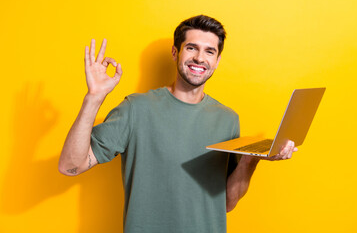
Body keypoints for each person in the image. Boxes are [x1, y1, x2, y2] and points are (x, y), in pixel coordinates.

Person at [59, 15, 297, 233]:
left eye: (209, 52)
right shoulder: (136, 108)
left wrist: (250, 160)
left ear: (217, 60)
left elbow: (226, 203)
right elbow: (71, 165)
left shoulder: (227, 118)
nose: (199, 58)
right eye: (191, 48)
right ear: (175, 52)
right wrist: (94, 98)